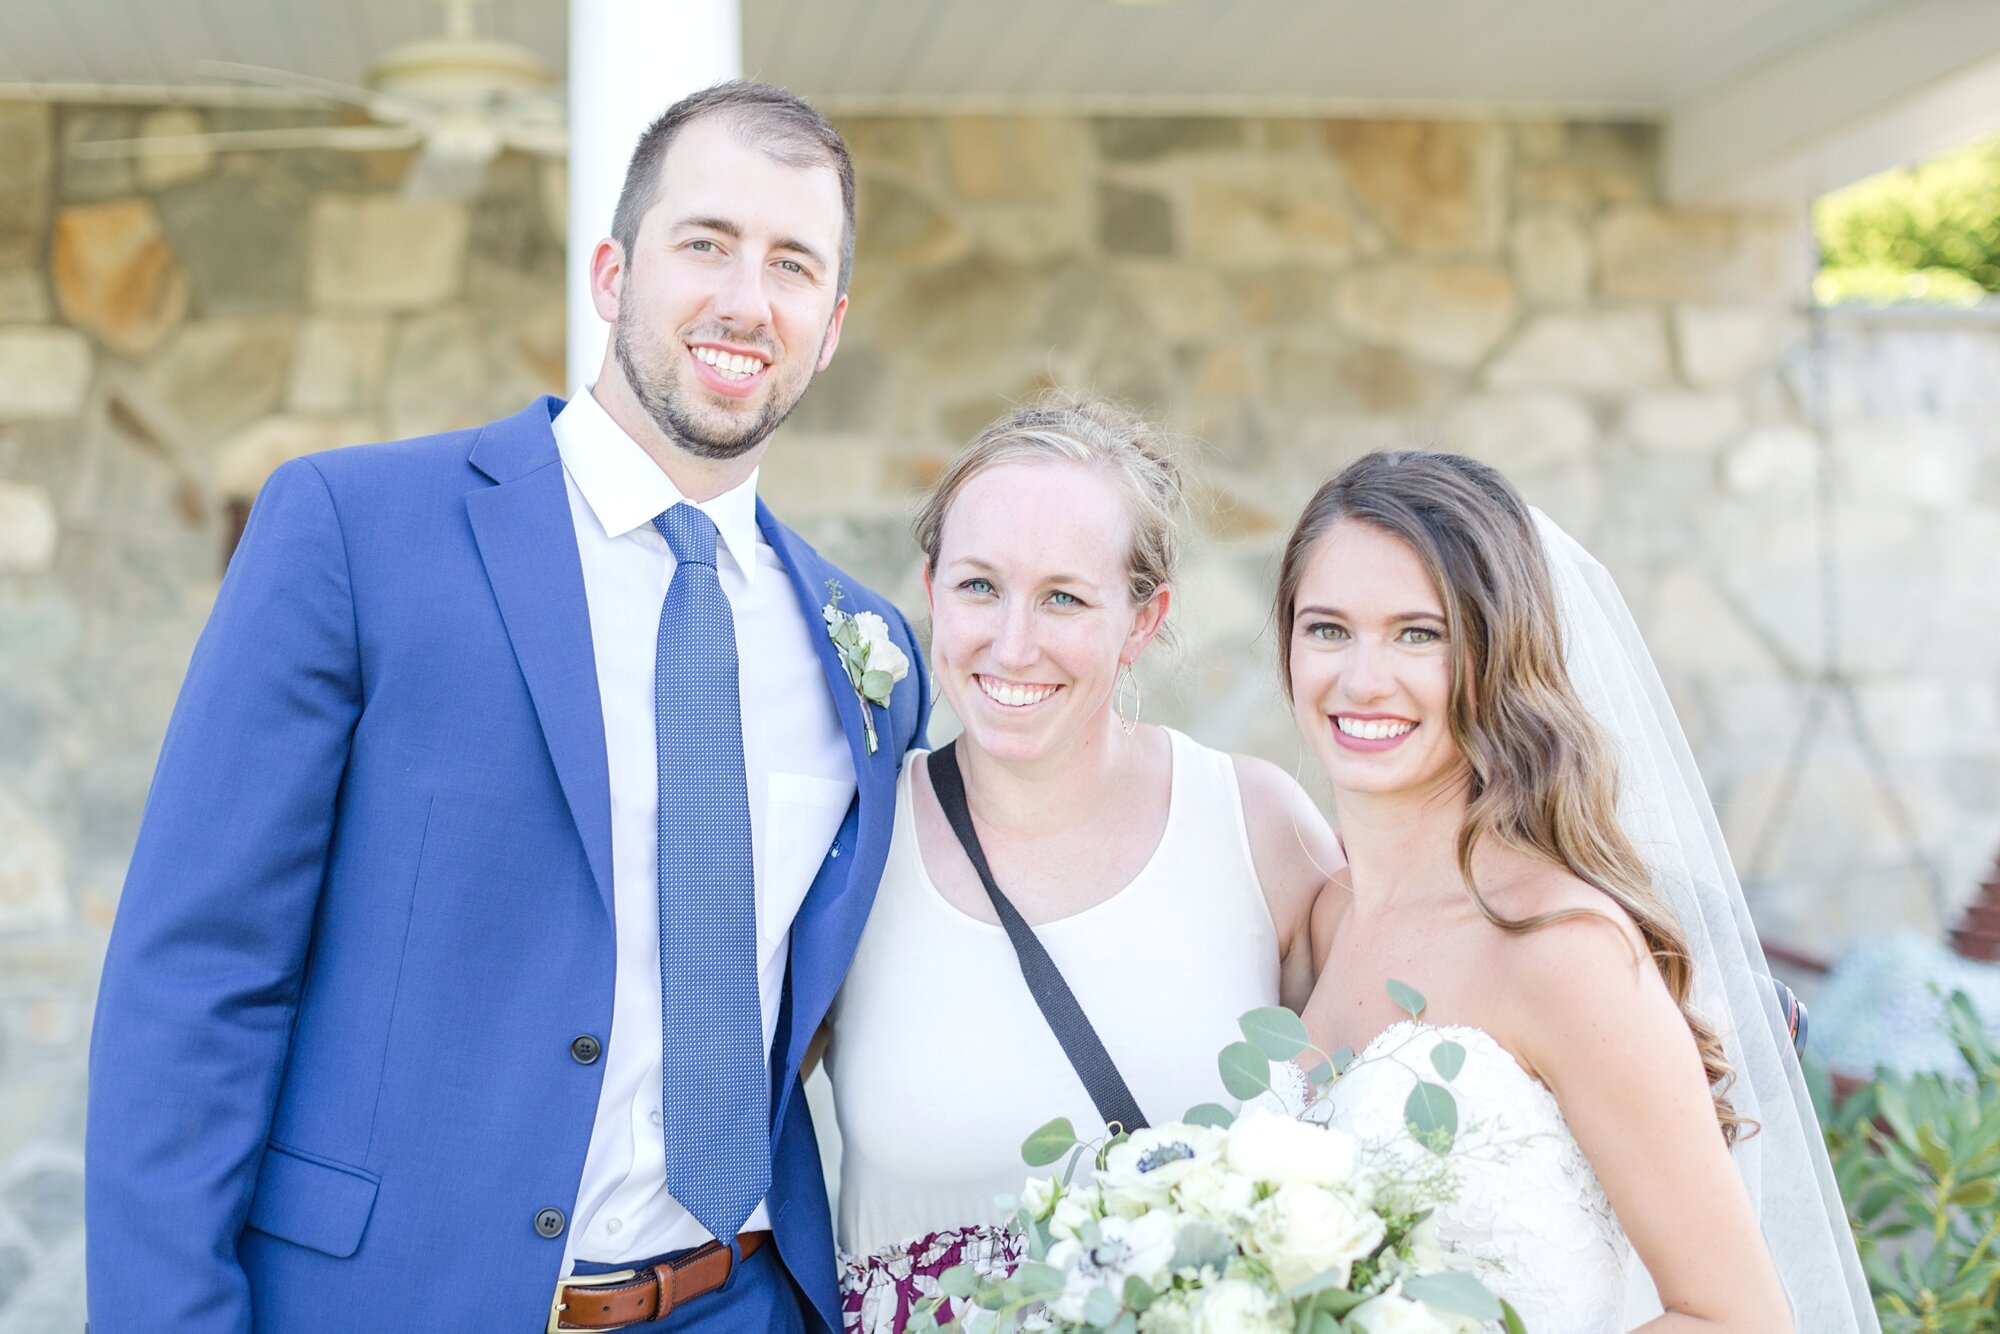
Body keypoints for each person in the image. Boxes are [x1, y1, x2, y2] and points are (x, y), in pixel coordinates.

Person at [85, 82, 926, 1333]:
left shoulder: (867, 657)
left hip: (740, 1300)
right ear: (610, 272)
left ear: (833, 322)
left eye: (792, 264)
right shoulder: (354, 531)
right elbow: (196, 977)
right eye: (704, 243)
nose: (746, 300)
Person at [1279, 450, 1875, 1332]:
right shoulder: (1322, 919)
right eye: (1328, 629)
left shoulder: (1562, 947)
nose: (1362, 679)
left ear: (1499, 652)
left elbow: (1737, 1319)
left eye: (1420, 633)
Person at [825, 400, 1341, 1333]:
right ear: (932, 586)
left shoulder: (1258, 829)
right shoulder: (854, 837)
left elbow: (1370, 1152)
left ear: (1143, 620)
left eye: (1064, 597)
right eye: (980, 586)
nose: (1012, 643)